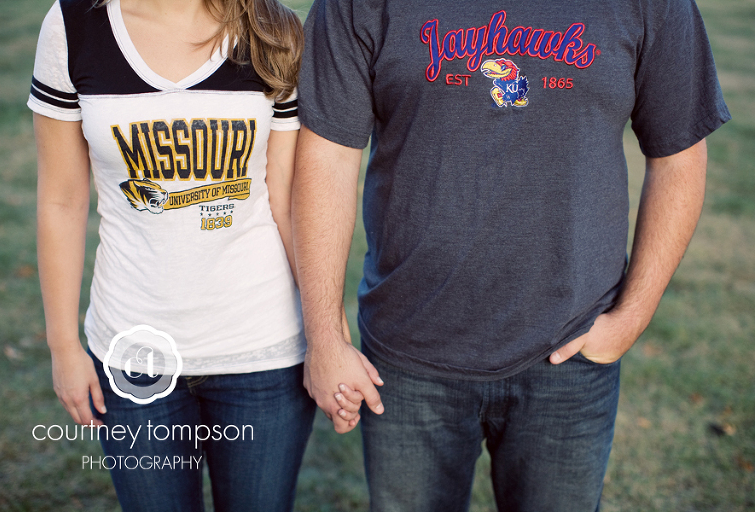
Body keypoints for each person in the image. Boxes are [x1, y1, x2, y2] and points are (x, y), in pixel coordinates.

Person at [292, 0, 730, 510]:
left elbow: (678, 156)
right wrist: (324, 338)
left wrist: (631, 317)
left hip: (568, 352)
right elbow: (328, 154)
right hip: (407, 353)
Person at [29, 0, 315, 510]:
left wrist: (327, 335)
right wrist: (63, 345)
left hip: (263, 354)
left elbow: (288, 203)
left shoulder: (274, 29)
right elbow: (61, 201)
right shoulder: (74, 25)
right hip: (133, 355)